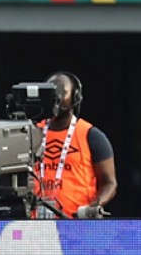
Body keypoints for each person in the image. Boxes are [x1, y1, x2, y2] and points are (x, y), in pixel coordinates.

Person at [34, 71, 117, 219]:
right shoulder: (31, 133)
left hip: (77, 224)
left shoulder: (91, 135)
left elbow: (109, 183)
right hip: (35, 224)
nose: (55, 97)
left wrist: (93, 207)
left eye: (61, 91)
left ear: (75, 97)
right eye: (50, 92)